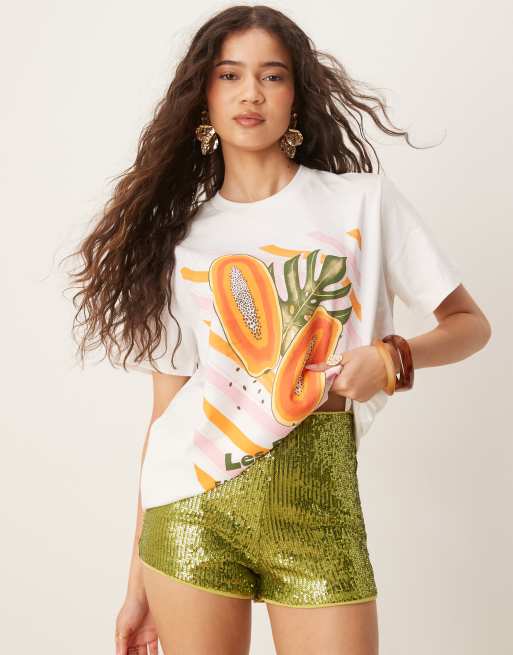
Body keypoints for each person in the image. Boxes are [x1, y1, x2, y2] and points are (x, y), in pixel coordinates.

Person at [67, 5, 491, 655]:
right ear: (204, 97)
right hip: (191, 512)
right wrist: (136, 584)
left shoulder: (362, 202)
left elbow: (469, 325)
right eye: (229, 75)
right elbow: (164, 412)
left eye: (271, 76)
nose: (251, 93)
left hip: (320, 506)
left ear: (296, 95)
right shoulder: (178, 239)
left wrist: (390, 358)